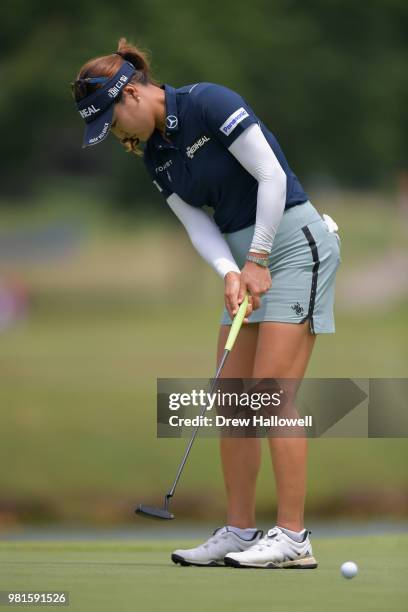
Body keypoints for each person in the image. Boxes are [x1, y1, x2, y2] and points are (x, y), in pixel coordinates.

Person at [72, 38, 341, 569]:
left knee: (270, 396)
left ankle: (293, 537)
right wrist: (229, 272)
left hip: (292, 248)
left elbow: (271, 175)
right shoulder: (155, 154)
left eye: (113, 122)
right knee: (234, 401)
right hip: (249, 267)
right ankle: (241, 532)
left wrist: (258, 257)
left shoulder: (209, 102)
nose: (118, 136)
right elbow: (198, 224)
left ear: (130, 95)